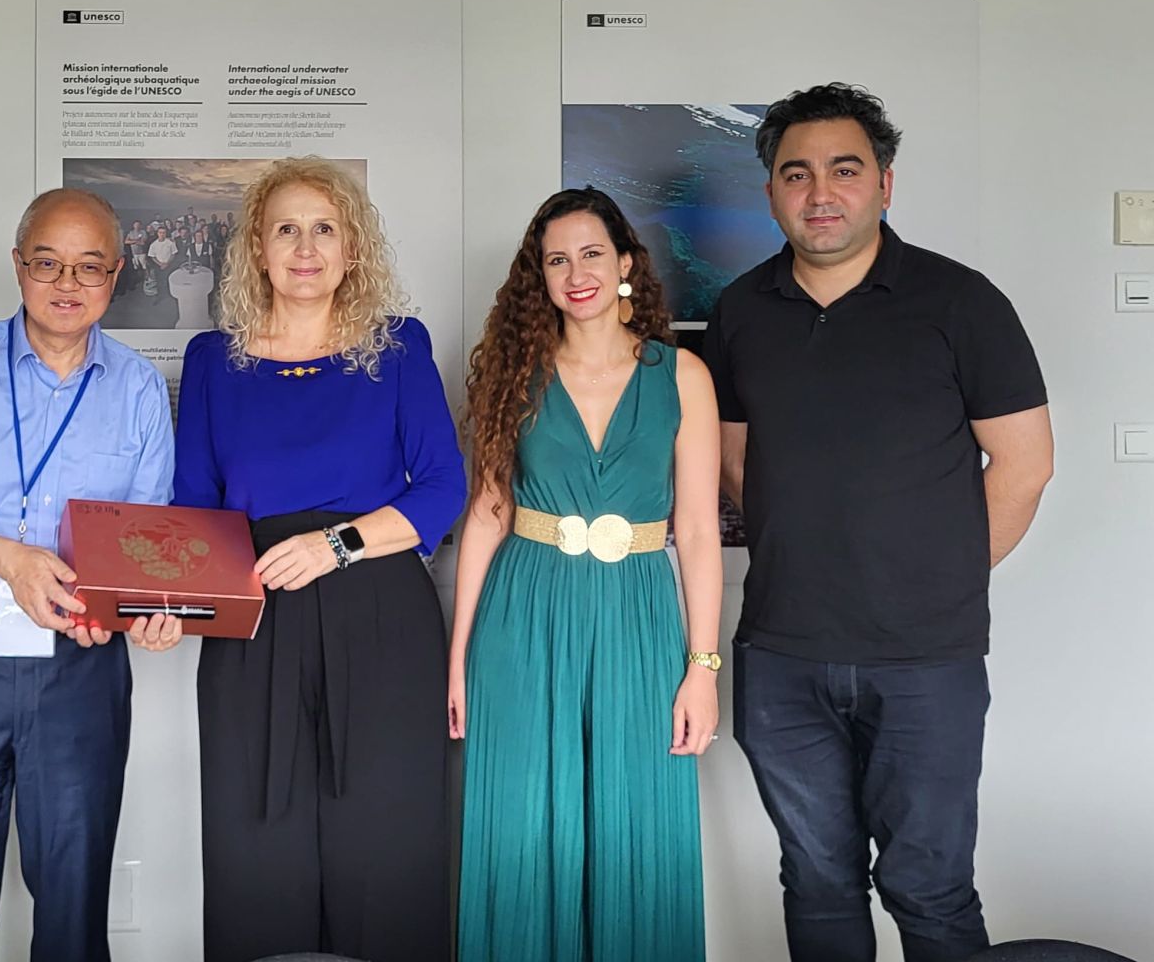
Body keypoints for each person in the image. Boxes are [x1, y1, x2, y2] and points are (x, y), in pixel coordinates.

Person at [707, 84, 1053, 962]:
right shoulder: (741, 311)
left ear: (885, 184)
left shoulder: (962, 303)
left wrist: (937, 581)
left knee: (928, 886)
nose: (821, 192)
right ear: (772, 193)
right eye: (797, 173)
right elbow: (737, 458)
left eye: (845, 169)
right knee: (817, 882)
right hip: (782, 654)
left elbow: (1024, 463)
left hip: (925, 660)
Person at [174, 156, 466, 962]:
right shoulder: (211, 359)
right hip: (252, 622)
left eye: (325, 228)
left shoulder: (398, 346)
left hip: (380, 616)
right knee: (254, 839)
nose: (307, 247)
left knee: (384, 839)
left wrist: (335, 545)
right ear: (257, 250)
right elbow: (194, 506)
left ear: (353, 248)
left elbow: (443, 488)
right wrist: (172, 602)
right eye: (287, 229)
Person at [0, 187, 182, 962]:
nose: (67, 284)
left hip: (80, 666)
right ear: (19, 267)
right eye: (48, 263)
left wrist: (142, 612)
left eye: (89, 268)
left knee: (74, 895)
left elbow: (144, 542)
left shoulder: (140, 389)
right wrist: (11, 560)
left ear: (116, 276)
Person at [451, 188, 722, 961]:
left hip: (639, 614)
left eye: (592, 253)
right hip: (524, 614)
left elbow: (699, 531)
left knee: (638, 827)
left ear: (626, 262)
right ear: (540, 275)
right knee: (523, 825)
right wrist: (459, 659)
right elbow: (486, 514)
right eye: (557, 259)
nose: (577, 273)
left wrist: (702, 669)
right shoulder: (515, 373)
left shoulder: (683, 377)